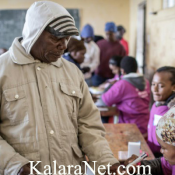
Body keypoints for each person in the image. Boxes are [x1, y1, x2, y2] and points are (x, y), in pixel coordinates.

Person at [0, 1, 121, 175]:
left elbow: (89, 125)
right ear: (35, 32)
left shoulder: (72, 72)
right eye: (57, 38)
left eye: (67, 38)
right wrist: (16, 166)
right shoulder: (3, 71)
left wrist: (106, 163)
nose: (64, 46)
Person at [100, 56, 150, 133]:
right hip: (144, 124)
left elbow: (104, 100)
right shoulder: (146, 81)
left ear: (122, 71)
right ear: (136, 69)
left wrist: (111, 85)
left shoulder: (122, 84)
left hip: (128, 127)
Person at [126, 106, 175, 175]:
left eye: (164, 147)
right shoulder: (172, 162)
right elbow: (162, 165)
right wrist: (140, 167)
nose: (161, 151)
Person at [147, 66, 175, 157]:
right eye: (153, 84)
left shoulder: (172, 112)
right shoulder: (157, 104)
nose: (155, 90)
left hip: (165, 157)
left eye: (161, 86)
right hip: (151, 151)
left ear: (173, 87)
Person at [92, 22, 126, 86]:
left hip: (113, 77)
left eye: (110, 34)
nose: (108, 36)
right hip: (99, 76)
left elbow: (123, 63)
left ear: (115, 33)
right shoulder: (99, 44)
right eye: (106, 34)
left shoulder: (120, 47)